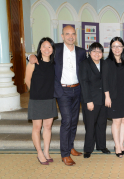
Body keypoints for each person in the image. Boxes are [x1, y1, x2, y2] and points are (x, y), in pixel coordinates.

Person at [29, 25, 87, 166]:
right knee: (66, 120)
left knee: (73, 120)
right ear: (62, 36)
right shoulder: (57, 49)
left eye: (73, 34)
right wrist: (29, 56)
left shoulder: (81, 52)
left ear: (76, 35)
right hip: (62, 91)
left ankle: (71, 146)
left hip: (77, 89)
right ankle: (65, 154)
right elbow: (41, 53)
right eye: (67, 34)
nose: (70, 36)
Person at [25, 37, 58, 165]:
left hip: (50, 99)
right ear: (40, 48)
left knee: (48, 127)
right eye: (44, 46)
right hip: (37, 99)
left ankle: (46, 151)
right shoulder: (34, 62)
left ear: (52, 49)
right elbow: (27, 79)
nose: (46, 49)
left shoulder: (54, 63)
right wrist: (35, 92)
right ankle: (39, 153)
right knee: (37, 127)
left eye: (49, 47)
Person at [79, 42, 110, 159]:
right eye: (94, 51)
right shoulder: (84, 64)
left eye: (99, 51)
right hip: (91, 99)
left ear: (102, 53)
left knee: (102, 124)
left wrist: (107, 96)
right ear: (89, 52)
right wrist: (88, 100)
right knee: (90, 125)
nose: (97, 54)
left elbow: (106, 81)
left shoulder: (105, 63)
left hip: (103, 99)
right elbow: (84, 83)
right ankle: (88, 149)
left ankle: (101, 146)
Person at [103, 37, 124, 158]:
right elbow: (104, 81)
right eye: (114, 46)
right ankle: (117, 146)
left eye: (119, 46)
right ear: (111, 48)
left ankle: (121, 144)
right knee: (116, 121)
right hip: (113, 96)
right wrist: (107, 96)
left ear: (123, 48)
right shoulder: (107, 62)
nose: (117, 48)